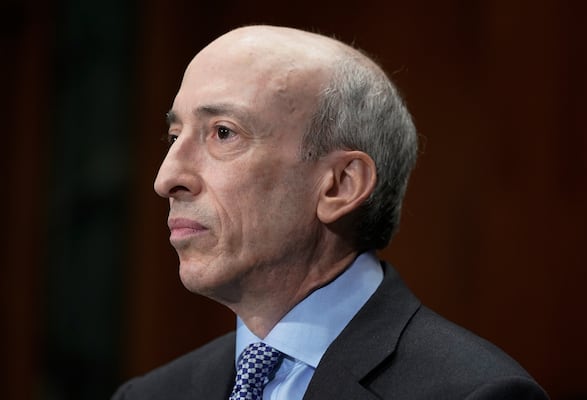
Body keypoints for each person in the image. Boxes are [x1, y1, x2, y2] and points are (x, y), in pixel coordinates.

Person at [112, 25, 548, 399]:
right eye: (174, 136)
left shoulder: (476, 393)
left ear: (341, 185)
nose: (166, 178)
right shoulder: (150, 394)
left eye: (223, 133)